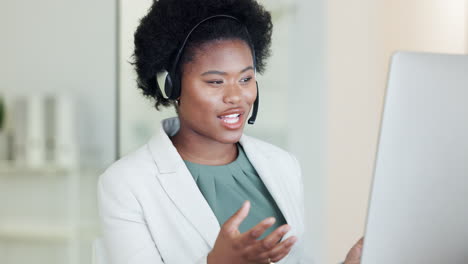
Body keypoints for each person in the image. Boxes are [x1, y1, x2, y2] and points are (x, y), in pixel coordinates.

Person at [97, 0, 363, 263]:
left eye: (246, 79)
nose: (236, 96)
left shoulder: (283, 165)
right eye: (216, 81)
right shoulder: (127, 184)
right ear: (171, 86)